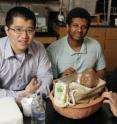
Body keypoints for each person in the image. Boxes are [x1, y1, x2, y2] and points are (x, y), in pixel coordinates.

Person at [0, 6, 53, 99]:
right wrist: (23, 94)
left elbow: (46, 77)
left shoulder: (39, 47)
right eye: (18, 29)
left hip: (32, 102)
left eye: (29, 30)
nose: (24, 36)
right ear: (7, 30)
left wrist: (31, 95)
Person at [47, 7, 106, 79]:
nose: (79, 30)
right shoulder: (52, 50)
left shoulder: (96, 45)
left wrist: (94, 79)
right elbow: (49, 79)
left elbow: (101, 71)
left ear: (87, 29)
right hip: (64, 88)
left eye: (84, 27)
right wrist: (62, 77)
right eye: (75, 25)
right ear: (67, 27)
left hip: (90, 89)